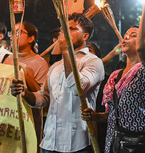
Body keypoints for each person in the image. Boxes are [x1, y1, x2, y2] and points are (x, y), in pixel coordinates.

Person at [81, 0, 145, 153]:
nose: (126, 37)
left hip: (140, 145)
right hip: (115, 143)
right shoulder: (116, 75)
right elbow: (113, 114)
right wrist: (96, 116)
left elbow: (142, 49)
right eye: (126, 34)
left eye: (133, 35)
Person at [11, 14, 104, 153]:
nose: (65, 32)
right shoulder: (56, 66)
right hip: (49, 142)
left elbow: (76, 88)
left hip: (76, 144)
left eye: (71, 28)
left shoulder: (92, 61)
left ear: (85, 36)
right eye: (63, 29)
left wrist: (66, 50)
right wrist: (25, 93)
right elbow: (42, 99)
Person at [4, 21, 49, 151]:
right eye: (11, 32)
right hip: (7, 117)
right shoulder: (7, 59)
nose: (13, 36)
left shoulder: (40, 63)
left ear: (31, 38)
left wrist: (25, 74)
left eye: (18, 32)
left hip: (29, 121)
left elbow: (42, 97)